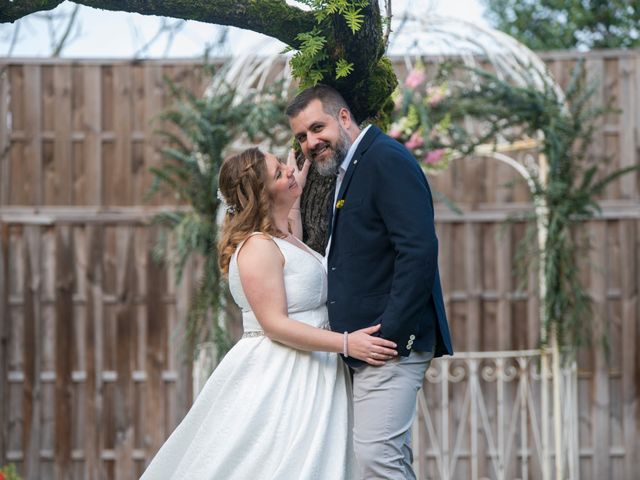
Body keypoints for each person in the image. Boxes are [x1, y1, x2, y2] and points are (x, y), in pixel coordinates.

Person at [140, 147, 398, 480]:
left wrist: (292, 191)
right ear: (262, 195)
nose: (289, 171)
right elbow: (274, 324)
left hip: (310, 368)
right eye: (279, 173)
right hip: (283, 372)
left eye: (282, 165)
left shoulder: (283, 238)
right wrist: (348, 343)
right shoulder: (257, 247)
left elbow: (296, 263)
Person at [287, 84, 454, 480]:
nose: (310, 142)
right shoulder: (351, 167)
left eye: (317, 128)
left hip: (385, 345)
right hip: (360, 349)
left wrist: (391, 337)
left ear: (344, 117)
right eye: (301, 136)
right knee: (381, 460)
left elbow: (418, 250)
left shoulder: (385, 159)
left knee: (377, 461)